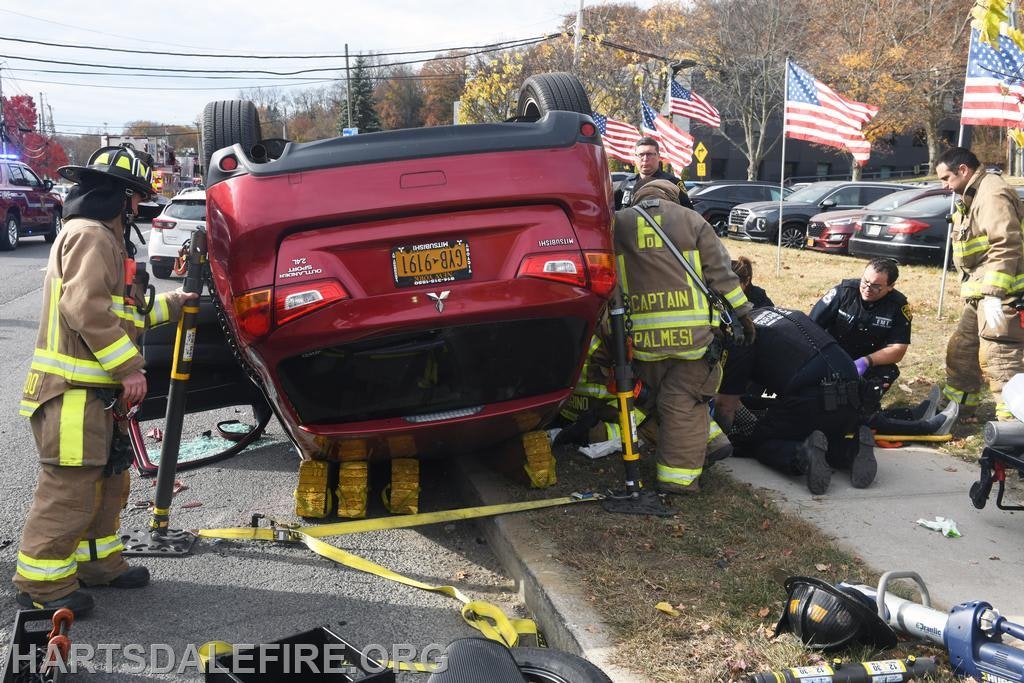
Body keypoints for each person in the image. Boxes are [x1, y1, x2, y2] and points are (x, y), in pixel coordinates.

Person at [14, 145, 195, 616]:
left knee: (108, 484)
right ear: (121, 197)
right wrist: (128, 368)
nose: (138, 207)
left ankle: (96, 563)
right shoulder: (92, 236)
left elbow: (122, 315)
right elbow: (86, 309)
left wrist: (174, 305)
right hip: (72, 393)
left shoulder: (105, 238)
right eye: (135, 197)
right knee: (70, 489)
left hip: (96, 395)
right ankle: (44, 585)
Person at [613, 179, 753, 494]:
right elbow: (721, 275)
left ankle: (713, 441)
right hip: (693, 341)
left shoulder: (616, 225)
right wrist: (743, 315)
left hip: (642, 341)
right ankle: (679, 479)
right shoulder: (693, 221)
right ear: (675, 197)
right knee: (685, 402)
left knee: (658, 399)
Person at [716, 307, 873, 494]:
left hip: (813, 398)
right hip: (854, 398)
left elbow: (725, 407)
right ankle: (850, 451)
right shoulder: (778, 315)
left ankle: (802, 455)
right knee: (821, 433)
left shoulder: (739, 336)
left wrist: (718, 441)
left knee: (761, 440)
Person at [936, 147, 1024, 422]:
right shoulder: (974, 194)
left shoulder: (991, 194)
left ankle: (1013, 427)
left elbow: (1005, 244)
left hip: (1004, 296)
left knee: (1001, 359)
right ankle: (958, 411)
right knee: (962, 351)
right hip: (980, 295)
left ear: (963, 170)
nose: (945, 186)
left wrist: (995, 294)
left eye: (946, 178)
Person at [810, 259, 911, 414]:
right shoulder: (843, 292)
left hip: (869, 361)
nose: (867, 288)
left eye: (876, 286)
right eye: (865, 281)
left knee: (886, 373)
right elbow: (810, 327)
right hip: (832, 355)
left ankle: (864, 411)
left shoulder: (898, 306)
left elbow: (898, 349)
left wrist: (866, 361)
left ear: (891, 287)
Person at [616, 137, 694, 210]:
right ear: (635, 157)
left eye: (649, 154)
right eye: (641, 155)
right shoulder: (627, 183)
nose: (645, 159)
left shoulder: (672, 182)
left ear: (658, 157)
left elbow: (687, 213)